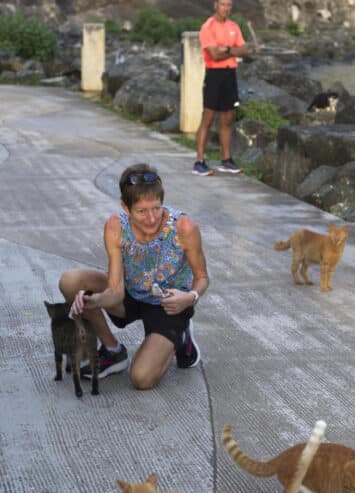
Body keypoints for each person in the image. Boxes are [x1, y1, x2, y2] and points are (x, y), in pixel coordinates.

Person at [60, 164, 209, 390]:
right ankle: (112, 351)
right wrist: (94, 301)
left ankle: (181, 336)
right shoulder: (115, 227)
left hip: (170, 304)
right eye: (141, 211)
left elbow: (202, 277)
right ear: (126, 208)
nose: (151, 218)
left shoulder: (184, 227)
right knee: (70, 281)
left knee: (141, 379)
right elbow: (116, 290)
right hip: (130, 294)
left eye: (156, 208)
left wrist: (190, 297)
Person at [193, 0, 248, 176]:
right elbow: (214, 55)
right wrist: (232, 51)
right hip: (214, 76)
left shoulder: (234, 26)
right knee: (207, 119)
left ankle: (226, 160)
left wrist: (227, 48)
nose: (226, 8)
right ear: (215, 5)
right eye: (223, 4)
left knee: (228, 118)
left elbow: (245, 50)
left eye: (229, 5)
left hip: (230, 75)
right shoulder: (207, 27)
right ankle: (199, 161)